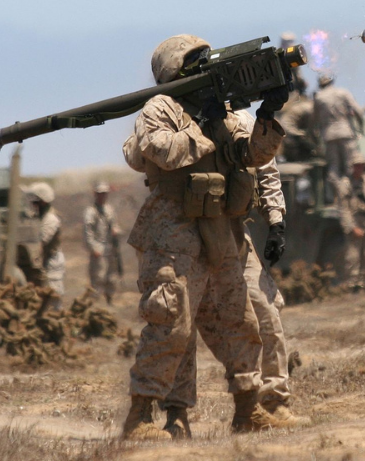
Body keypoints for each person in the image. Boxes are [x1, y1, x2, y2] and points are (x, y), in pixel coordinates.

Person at [119, 34, 289, 440]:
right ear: (174, 71)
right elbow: (163, 152)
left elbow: (250, 156)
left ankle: (248, 410)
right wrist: (204, 126)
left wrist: (267, 116)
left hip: (219, 230)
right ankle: (141, 417)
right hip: (172, 230)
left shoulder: (224, 110)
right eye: (192, 63)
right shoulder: (159, 108)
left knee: (239, 318)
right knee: (171, 321)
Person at [156, 108, 308, 438]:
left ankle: (269, 404)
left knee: (264, 311)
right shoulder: (170, 115)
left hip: (232, 232)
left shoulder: (241, 120)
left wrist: (276, 221)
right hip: (185, 233)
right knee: (182, 322)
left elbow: (265, 169)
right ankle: (176, 413)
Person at [312, 74, 363, 198]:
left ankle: (340, 192)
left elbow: (314, 120)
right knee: (350, 165)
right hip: (346, 132)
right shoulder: (343, 93)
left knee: (333, 168)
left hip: (329, 135)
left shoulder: (318, 97)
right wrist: (361, 128)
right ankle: (352, 194)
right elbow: (358, 111)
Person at [338, 152, 365, 291]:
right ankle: (352, 285)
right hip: (355, 220)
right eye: (356, 165)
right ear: (352, 166)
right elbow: (343, 209)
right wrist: (351, 227)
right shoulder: (345, 184)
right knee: (353, 256)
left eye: (361, 165)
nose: (359, 168)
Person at [27, 182, 65, 310]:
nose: (33, 205)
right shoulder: (38, 216)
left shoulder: (51, 219)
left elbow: (41, 241)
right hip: (44, 260)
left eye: (35, 202)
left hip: (52, 262)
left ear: (42, 202)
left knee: (54, 294)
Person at [83, 181, 122, 305]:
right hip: (98, 247)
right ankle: (95, 303)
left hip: (110, 248)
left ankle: (110, 300)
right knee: (98, 277)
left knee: (111, 277)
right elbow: (87, 232)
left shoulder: (109, 209)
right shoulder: (90, 212)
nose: (102, 196)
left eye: (104, 193)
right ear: (95, 194)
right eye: (100, 193)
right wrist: (93, 248)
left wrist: (116, 230)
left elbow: (114, 225)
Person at [278, 76, 316, 161]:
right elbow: (311, 130)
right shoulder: (310, 108)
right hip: (287, 128)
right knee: (303, 139)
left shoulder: (302, 103)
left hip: (285, 126)